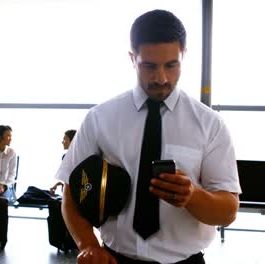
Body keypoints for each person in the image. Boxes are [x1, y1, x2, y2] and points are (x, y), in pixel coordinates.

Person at [55, 10, 241, 264]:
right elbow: (70, 190)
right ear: (132, 58)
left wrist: (193, 196)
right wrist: (88, 244)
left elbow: (228, 211)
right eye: (149, 66)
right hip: (114, 259)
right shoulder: (100, 118)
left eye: (171, 65)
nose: (161, 78)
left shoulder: (210, 125)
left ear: (183, 55)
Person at [50, 129, 76, 195]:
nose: (62, 142)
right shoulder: (76, 156)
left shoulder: (67, 157)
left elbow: (71, 181)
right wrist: (58, 184)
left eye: (65, 139)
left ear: (72, 141)